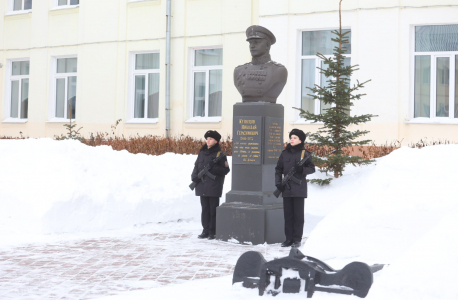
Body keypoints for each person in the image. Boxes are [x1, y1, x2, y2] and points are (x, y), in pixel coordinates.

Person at [275, 129, 315, 248]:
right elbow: (278, 169)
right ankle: (288, 239)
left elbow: (312, 169)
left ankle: (297, 239)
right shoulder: (284, 154)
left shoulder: (305, 154)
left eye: (295, 138)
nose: (292, 139)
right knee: (288, 215)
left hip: (299, 189)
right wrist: (278, 184)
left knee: (298, 216)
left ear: (300, 140)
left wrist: (302, 170)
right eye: (291, 137)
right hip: (286, 189)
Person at [191, 130, 230, 240]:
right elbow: (196, 166)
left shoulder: (219, 155)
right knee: (205, 209)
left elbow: (226, 170)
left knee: (213, 209)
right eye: (207, 139)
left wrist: (213, 167)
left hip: (214, 185)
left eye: (211, 139)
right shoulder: (202, 153)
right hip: (202, 185)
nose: (208, 141)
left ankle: (212, 231)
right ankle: (205, 230)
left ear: (216, 141)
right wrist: (194, 177)